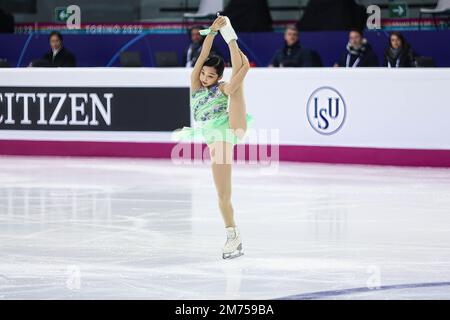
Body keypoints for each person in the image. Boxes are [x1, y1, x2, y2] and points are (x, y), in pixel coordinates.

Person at [172, 15, 253, 259]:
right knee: (222, 194)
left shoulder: (221, 87)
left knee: (235, 88)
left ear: (217, 77)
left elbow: (229, 87)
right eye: (204, 74)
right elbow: (202, 55)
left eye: (210, 76)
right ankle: (238, 54)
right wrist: (212, 32)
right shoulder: (195, 85)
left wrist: (235, 73)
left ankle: (232, 235)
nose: (205, 78)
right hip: (214, 134)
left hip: (228, 130)